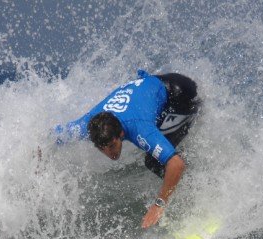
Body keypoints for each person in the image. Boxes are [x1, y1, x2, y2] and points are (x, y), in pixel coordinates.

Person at [54, 69, 201, 228]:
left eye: (112, 146)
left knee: (154, 161)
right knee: (159, 147)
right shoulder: (85, 127)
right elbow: (50, 137)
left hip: (181, 95)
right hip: (152, 88)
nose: (109, 153)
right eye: (102, 148)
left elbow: (175, 163)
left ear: (121, 133)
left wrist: (159, 204)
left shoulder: (138, 127)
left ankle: (198, 191)